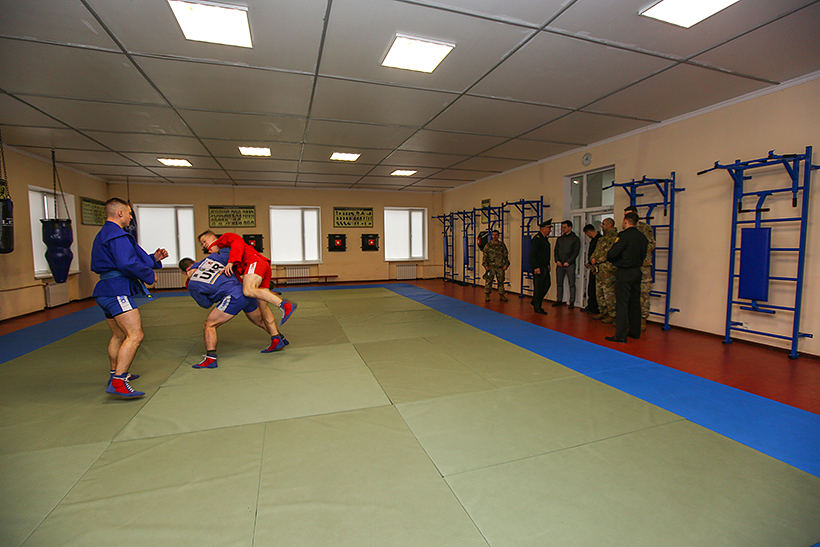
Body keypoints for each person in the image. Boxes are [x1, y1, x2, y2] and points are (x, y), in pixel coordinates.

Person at [91, 198, 168, 399]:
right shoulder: (117, 235)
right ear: (120, 213)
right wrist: (150, 275)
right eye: (129, 213)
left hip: (105, 290)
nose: (131, 217)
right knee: (135, 335)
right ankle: (118, 382)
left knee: (119, 335)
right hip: (116, 291)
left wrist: (154, 259)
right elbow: (127, 263)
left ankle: (114, 374)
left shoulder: (105, 234)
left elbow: (128, 258)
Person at [180, 249, 288, 369]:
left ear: (184, 272)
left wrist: (213, 295)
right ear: (194, 261)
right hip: (246, 290)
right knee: (260, 321)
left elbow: (205, 304)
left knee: (209, 325)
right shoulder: (212, 259)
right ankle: (279, 337)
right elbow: (233, 255)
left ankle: (210, 359)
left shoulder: (192, 284)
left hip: (233, 297)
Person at [198, 231, 297, 329]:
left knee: (248, 290)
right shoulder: (225, 253)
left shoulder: (223, 239)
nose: (204, 245)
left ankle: (284, 305)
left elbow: (237, 240)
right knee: (263, 305)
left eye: (204, 241)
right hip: (260, 266)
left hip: (254, 261)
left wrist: (231, 261)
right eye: (202, 244)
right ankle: (276, 335)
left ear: (212, 237)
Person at [605, 212, 649, 343]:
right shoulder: (642, 237)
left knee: (622, 303)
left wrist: (616, 260)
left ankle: (621, 335)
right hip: (637, 271)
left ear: (625, 221)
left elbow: (612, 254)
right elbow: (643, 255)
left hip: (625, 272)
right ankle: (635, 331)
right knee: (635, 302)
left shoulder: (623, 236)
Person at [625, 205, 656, 331]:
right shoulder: (626, 230)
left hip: (643, 265)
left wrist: (635, 248)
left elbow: (651, 245)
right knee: (629, 293)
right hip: (629, 265)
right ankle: (629, 319)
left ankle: (642, 319)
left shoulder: (644, 228)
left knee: (643, 293)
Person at [590, 218, 618, 324]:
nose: (601, 226)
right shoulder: (602, 239)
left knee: (609, 293)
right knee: (599, 292)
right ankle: (603, 311)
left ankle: (612, 314)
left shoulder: (615, 237)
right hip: (599, 270)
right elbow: (596, 251)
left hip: (608, 270)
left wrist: (597, 260)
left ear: (610, 225)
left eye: (603, 224)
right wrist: (592, 258)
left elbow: (611, 253)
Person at [552, 220, 580, 308]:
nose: (563, 229)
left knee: (571, 284)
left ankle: (572, 301)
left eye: (565, 227)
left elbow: (576, 252)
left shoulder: (575, 239)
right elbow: (556, 251)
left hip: (570, 265)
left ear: (570, 227)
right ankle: (559, 299)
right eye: (562, 227)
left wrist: (569, 261)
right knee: (559, 283)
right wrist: (557, 260)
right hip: (560, 264)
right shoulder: (560, 239)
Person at [528, 219, 552, 314]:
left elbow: (545, 254)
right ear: (544, 228)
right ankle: (537, 307)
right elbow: (532, 254)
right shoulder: (537, 239)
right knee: (538, 287)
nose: (550, 230)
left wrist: (548, 264)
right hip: (538, 267)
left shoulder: (544, 239)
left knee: (547, 285)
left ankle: (535, 301)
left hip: (544, 266)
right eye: (549, 228)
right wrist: (535, 267)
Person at [482, 229, 510, 302]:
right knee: (488, 281)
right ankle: (487, 295)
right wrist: (486, 265)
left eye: (496, 235)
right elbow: (485, 256)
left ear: (498, 235)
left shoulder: (502, 245)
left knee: (501, 281)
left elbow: (505, 256)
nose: (494, 236)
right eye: (493, 235)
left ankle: (501, 295)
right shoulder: (488, 245)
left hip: (500, 266)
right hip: (490, 267)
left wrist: (506, 265)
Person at [582, 223, 601, 314]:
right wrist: (589, 262)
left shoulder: (599, 240)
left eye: (587, 234)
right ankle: (590, 305)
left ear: (589, 232)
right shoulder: (593, 240)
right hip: (592, 266)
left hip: (597, 267)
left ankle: (595, 308)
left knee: (595, 288)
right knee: (591, 287)